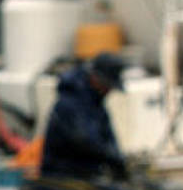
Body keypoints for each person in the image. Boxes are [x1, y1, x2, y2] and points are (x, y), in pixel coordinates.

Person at [40, 52, 128, 180]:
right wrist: (110, 157)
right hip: (61, 176)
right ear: (96, 78)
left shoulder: (97, 103)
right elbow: (83, 140)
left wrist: (117, 157)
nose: (109, 91)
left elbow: (108, 136)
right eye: (108, 86)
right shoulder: (70, 102)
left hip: (87, 173)